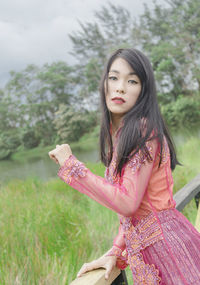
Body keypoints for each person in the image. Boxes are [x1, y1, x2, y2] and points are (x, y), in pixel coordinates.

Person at [48, 48, 200, 284]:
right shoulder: (123, 135)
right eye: (114, 78)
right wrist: (115, 251)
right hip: (152, 253)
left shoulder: (143, 130)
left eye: (132, 81)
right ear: (105, 84)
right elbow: (134, 213)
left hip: (169, 252)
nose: (120, 87)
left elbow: (128, 203)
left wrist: (71, 164)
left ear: (143, 90)